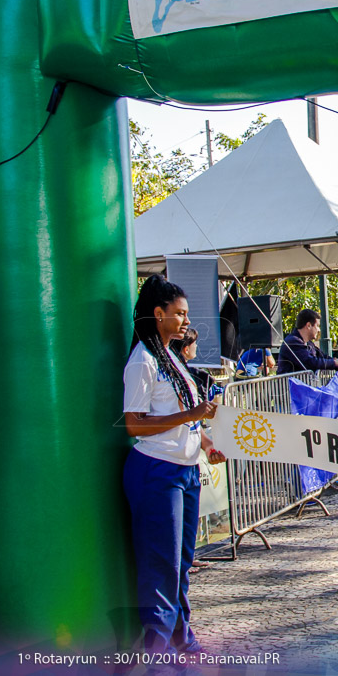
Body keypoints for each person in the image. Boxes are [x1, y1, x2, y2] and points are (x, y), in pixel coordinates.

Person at [123, 275, 225, 657]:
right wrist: (192, 413)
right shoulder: (143, 361)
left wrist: (207, 440)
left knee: (180, 562)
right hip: (156, 472)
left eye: (186, 313)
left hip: (184, 471)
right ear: (158, 313)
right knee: (161, 566)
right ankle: (158, 649)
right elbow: (134, 423)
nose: (185, 321)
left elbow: (185, 418)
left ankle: (181, 635)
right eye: (179, 314)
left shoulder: (171, 357)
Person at [277, 309, 338, 375]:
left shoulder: (309, 343)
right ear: (308, 325)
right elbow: (310, 362)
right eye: (317, 326)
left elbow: (321, 356)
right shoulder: (292, 341)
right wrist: (334, 363)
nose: (319, 330)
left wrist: (336, 361)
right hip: (291, 386)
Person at [169, 327, 218, 400]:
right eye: (194, 343)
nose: (196, 346)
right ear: (186, 349)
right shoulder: (197, 377)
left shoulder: (168, 372)